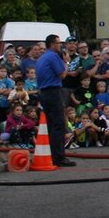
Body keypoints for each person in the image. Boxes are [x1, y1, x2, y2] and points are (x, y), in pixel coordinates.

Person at [38, 34, 76, 166]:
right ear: (52, 44)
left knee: (51, 124)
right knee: (58, 125)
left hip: (44, 93)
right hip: (53, 91)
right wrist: (66, 61)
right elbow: (62, 74)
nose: (61, 45)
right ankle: (59, 157)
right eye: (59, 43)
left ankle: (52, 154)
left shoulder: (42, 57)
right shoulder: (54, 56)